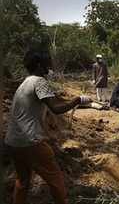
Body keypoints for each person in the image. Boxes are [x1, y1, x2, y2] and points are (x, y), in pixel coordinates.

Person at [5, 50, 92, 204]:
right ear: (39, 65)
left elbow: (32, 114)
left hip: (13, 142)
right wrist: (78, 99)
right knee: (56, 179)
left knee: (23, 181)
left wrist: (47, 135)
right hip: (30, 142)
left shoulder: (25, 83)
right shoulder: (39, 82)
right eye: (47, 63)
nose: (49, 66)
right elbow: (56, 109)